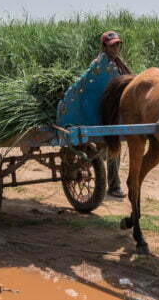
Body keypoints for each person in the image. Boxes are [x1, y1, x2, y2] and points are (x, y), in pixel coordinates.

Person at [55, 30, 131, 198]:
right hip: (97, 113)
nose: (116, 48)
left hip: (112, 113)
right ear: (104, 46)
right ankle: (113, 184)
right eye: (113, 45)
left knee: (113, 148)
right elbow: (89, 87)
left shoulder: (118, 64)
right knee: (110, 147)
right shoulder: (99, 65)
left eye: (118, 44)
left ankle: (113, 184)